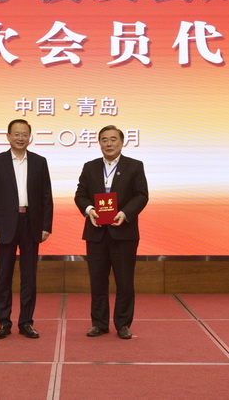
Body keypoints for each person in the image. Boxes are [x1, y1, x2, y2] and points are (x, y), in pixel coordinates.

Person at [74, 125, 148, 339]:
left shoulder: (134, 166)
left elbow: (141, 195)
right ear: (99, 143)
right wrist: (89, 210)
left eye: (113, 139)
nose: (109, 143)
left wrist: (125, 213)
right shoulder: (90, 167)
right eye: (104, 140)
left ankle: (123, 324)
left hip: (124, 233)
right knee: (97, 281)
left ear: (122, 142)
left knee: (125, 281)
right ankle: (99, 324)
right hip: (96, 232)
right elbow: (80, 195)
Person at [0, 119, 53, 339]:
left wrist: (46, 226)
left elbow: (46, 197)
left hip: (31, 224)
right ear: (8, 136)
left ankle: (26, 322)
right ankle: (3, 323)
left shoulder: (40, 162)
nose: (20, 138)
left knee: (29, 277)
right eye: (16, 134)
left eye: (24, 134)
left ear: (30, 137)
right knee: (3, 276)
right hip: (4, 225)